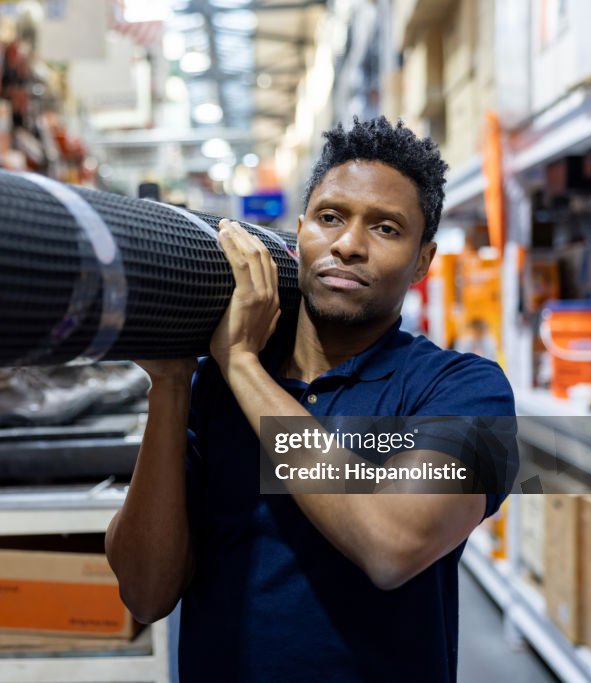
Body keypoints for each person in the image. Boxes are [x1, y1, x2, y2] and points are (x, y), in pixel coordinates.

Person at [105, 117, 516, 682]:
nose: (348, 245)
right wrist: (172, 383)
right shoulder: (214, 389)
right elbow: (146, 593)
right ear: (300, 232)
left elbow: (392, 545)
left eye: (387, 229)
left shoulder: (468, 388)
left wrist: (243, 365)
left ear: (424, 260)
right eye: (330, 218)